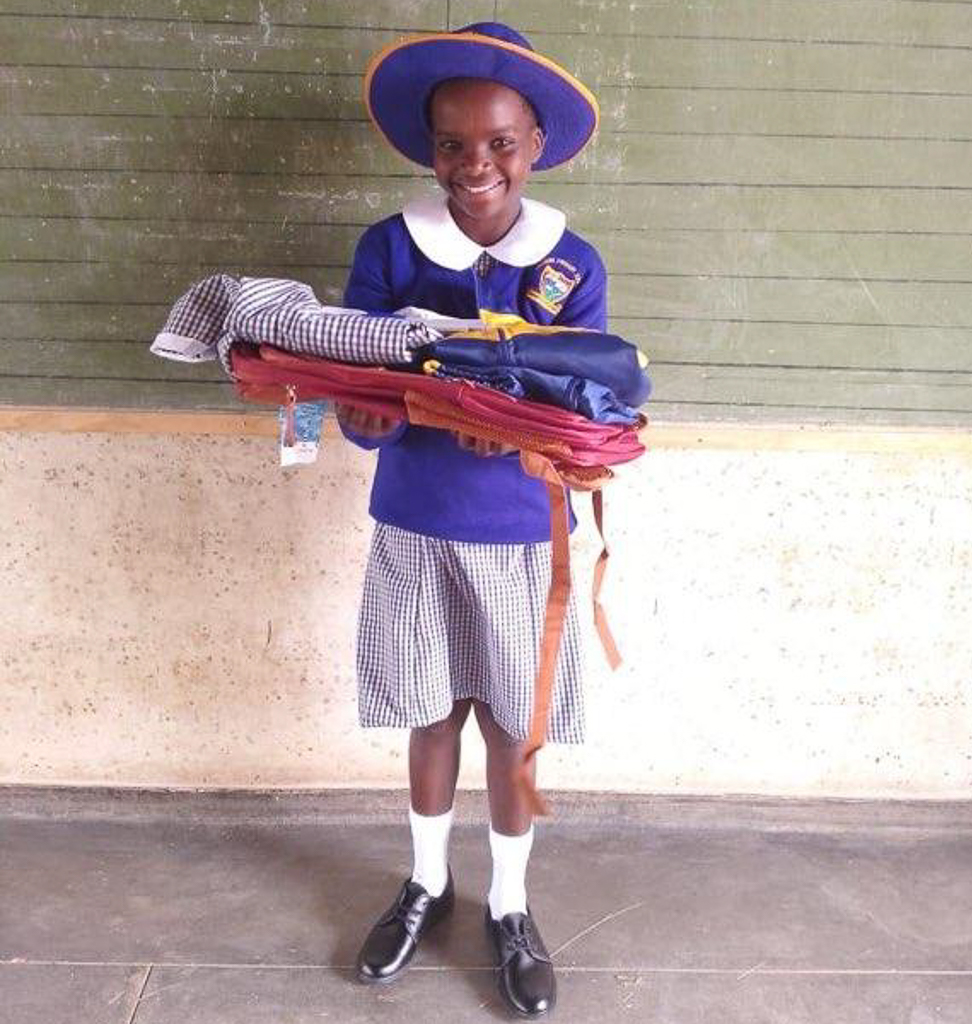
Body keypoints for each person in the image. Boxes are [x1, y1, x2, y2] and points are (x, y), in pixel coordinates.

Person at [338, 23, 605, 1018]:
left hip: (521, 531)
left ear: (535, 143)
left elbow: (587, 407)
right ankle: (424, 883)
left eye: (499, 142)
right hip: (414, 518)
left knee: (510, 726)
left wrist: (528, 437)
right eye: (452, 144)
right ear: (427, 148)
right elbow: (355, 375)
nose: (474, 164)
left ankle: (510, 902)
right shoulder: (390, 248)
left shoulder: (572, 261)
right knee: (427, 709)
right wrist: (364, 420)